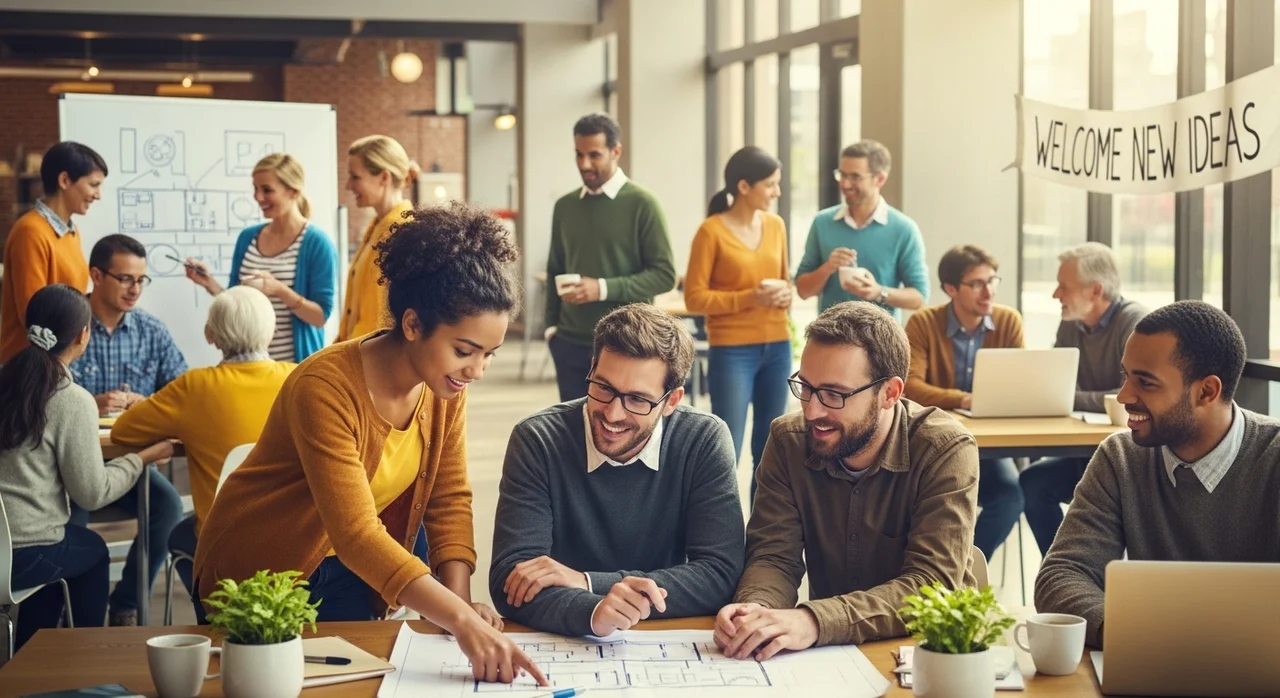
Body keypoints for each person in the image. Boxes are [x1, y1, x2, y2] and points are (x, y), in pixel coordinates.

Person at [195, 202, 547, 687]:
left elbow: (448, 496)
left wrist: (458, 603)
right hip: (259, 576)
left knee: (366, 684)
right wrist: (460, 621)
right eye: (465, 350)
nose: (477, 370)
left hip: (343, 570)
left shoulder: (444, 384)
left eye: (490, 354)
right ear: (411, 324)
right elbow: (356, 532)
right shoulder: (326, 386)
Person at [714, 302, 979, 660]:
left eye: (834, 394)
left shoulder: (944, 449)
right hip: (831, 656)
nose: (811, 410)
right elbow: (774, 557)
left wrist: (813, 621)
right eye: (805, 387)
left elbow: (931, 587)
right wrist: (756, 611)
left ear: (889, 393)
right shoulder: (788, 440)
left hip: (929, 655)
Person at [1034, 301, 1280, 649]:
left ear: (1206, 391)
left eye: (1146, 383)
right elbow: (1063, 575)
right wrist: (1134, 636)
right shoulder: (1120, 457)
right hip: (1147, 659)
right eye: (1126, 376)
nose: (1123, 396)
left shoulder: (1273, 459)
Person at [490, 304, 744, 637]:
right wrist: (593, 611)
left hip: (662, 641)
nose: (612, 413)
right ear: (592, 367)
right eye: (604, 387)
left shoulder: (703, 439)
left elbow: (720, 574)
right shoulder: (538, 439)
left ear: (672, 401)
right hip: (568, 637)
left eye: (638, 399)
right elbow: (511, 580)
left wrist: (589, 583)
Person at [0, 285, 173, 650]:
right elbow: (92, 493)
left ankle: (32, 656)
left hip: (10, 551)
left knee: (63, 552)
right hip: (25, 554)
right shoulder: (70, 399)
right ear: (83, 335)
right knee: (91, 552)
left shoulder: (7, 380)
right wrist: (141, 457)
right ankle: (82, 657)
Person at [110, 286, 294, 596]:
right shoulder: (298, 378)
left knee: (179, 533)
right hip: (293, 539)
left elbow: (123, 431)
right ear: (271, 333)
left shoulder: (193, 389)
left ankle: (211, 610)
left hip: (224, 541)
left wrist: (183, 434)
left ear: (210, 335)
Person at [68, 233, 186, 626]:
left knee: (168, 507)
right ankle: (70, 617)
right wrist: (89, 402)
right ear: (96, 276)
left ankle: (127, 604)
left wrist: (144, 403)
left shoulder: (152, 331)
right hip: (72, 469)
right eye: (125, 279)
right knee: (72, 523)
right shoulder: (71, 324)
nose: (135, 290)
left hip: (131, 467)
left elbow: (183, 391)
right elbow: (43, 394)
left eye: (141, 280)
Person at [1019, 242, 1147, 555]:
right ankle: (1064, 570)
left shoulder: (1135, 323)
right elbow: (1054, 387)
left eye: (1063, 286)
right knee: (1033, 483)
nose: (1055, 295)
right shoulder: (1070, 324)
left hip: (1126, 459)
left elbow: (1127, 397)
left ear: (1094, 291)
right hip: (1085, 453)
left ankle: (1094, 577)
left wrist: (1071, 397)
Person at [684, 146, 792, 502]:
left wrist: (785, 296)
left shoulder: (776, 226)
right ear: (744, 186)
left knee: (771, 451)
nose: (777, 191)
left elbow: (784, 281)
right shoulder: (710, 232)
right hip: (732, 351)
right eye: (771, 184)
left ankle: (764, 538)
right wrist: (751, 298)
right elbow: (695, 299)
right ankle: (720, 535)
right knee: (724, 447)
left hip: (777, 346)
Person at [903, 245, 1025, 561]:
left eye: (992, 280)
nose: (989, 291)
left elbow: (1020, 384)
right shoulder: (923, 323)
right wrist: (965, 399)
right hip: (934, 443)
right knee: (929, 499)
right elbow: (911, 386)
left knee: (1011, 496)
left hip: (990, 445)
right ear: (951, 289)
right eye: (977, 284)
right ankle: (932, 569)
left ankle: (963, 569)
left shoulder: (1008, 321)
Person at [545, 113, 677, 401]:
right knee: (572, 435)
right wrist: (551, 330)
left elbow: (664, 275)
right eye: (579, 155)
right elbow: (555, 266)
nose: (584, 164)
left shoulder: (643, 204)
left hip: (627, 344)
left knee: (620, 433)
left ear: (616, 151)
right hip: (569, 344)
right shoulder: (565, 207)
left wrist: (601, 288)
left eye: (594, 155)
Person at [183, 153, 338, 363]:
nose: (258, 197)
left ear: (293, 191)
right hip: (246, 364)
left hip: (293, 367)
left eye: (267, 190)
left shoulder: (317, 243)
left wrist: (278, 289)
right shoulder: (248, 238)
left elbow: (320, 317)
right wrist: (209, 283)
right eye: (255, 189)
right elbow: (235, 302)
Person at [794, 140, 928, 318]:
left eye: (855, 177)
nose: (845, 184)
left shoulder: (903, 229)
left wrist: (878, 292)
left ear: (879, 179)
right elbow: (803, 291)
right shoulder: (822, 222)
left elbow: (919, 297)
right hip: (830, 337)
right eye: (842, 175)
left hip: (880, 341)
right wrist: (827, 267)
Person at [0, 141, 106, 363]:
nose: (98, 195)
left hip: (58, 364)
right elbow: (34, 317)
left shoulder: (72, 231)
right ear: (65, 180)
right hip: (29, 371)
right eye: (93, 185)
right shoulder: (31, 231)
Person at [338, 135, 420, 341]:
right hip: (359, 353)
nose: (348, 185)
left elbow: (382, 318)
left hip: (373, 360)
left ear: (384, 177)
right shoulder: (377, 226)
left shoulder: (402, 232)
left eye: (355, 177)